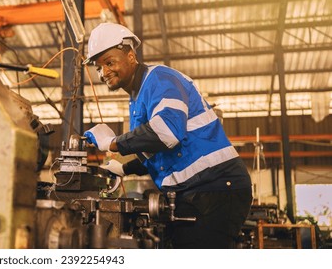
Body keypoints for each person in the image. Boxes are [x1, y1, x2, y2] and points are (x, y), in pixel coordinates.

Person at [83, 22, 252, 249]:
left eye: (109, 62)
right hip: (197, 192)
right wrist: (124, 169)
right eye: (99, 68)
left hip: (218, 188)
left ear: (131, 56)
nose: (104, 72)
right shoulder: (137, 100)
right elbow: (158, 156)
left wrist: (112, 143)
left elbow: (167, 133)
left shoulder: (159, 79)